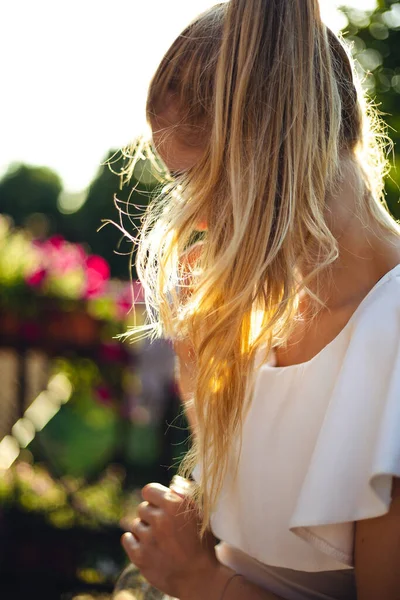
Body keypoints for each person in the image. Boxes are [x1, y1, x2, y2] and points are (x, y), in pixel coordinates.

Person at [120, 1, 400, 599]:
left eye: (197, 180)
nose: (190, 217)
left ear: (276, 152)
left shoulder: (392, 339)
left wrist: (200, 580)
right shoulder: (251, 317)